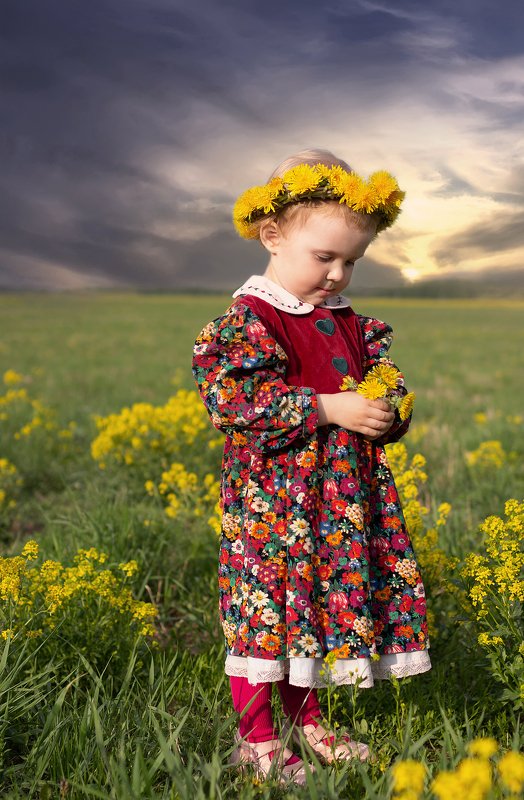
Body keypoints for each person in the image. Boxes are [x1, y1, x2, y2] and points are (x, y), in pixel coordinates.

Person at [192, 148, 431, 784]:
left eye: (352, 261)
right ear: (272, 235)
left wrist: (385, 412)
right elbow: (233, 403)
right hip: (275, 504)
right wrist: (326, 407)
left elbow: (383, 384)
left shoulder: (347, 322)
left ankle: (308, 720)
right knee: (267, 611)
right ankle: (257, 738)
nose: (338, 274)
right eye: (324, 257)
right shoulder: (251, 319)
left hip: (339, 501)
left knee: (313, 612)